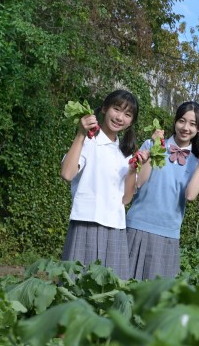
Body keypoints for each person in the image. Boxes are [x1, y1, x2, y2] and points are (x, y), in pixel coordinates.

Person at [60, 89, 148, 280]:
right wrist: (81, 134)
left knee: (110, 290)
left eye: (127, 114)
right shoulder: (89, 141)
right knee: (77, 286)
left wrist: (132, 170)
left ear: (131, 121)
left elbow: (125, 199)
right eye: (117, 109)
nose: (120, 117)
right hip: (87, 222)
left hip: (115, 227)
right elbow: (67, 174)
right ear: (105, 108)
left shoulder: (125, 153)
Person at [126, 101, 199, 280]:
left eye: (192, 124)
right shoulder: (152, 144)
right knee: (124, 286)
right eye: (182, 121)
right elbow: (138, 183)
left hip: (168, 233)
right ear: (175, 121)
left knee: (156, 293)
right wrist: (156, 149)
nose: (185, 127)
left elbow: (190, 196)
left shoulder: (195, 160)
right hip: (137, 225)